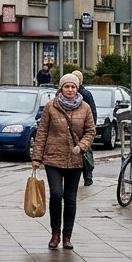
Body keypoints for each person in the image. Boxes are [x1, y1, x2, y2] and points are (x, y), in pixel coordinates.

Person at [30, 73, 96, 251]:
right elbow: (42, 132)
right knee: (56, 194)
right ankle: (55, 233)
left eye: (73, 87)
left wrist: (81, 146)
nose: (70, 90)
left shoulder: (85, 108)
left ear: (77, 89)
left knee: (70, 198)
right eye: (67, 86)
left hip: (75, 159)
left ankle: (67, 236)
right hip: (53, 158)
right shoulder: (51, 106)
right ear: (61, 88)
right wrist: (36, 157)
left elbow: (90, 131)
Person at [72, 70, 98, 186]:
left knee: (84, 152)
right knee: (84, 152)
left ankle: (87, 176)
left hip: (82, 129)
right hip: (77, 128)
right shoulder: (85, 94)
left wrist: (91, 128)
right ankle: (86, 176)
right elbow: (93, 111)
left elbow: (92, 111)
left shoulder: (85, 94)